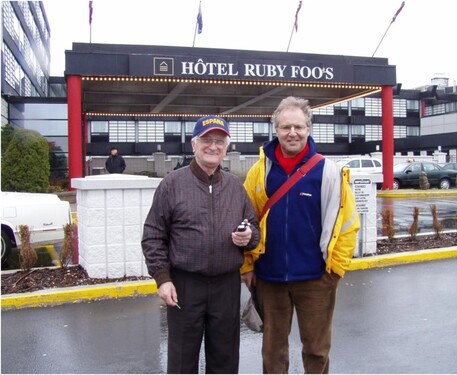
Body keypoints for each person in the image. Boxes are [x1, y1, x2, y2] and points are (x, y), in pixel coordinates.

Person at [241, 96, 360, 374]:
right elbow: (246, 221)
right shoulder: (260, 172)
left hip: (316, 279)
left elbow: (348, 224)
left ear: (308, 128)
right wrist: (247, 266)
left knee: (317, 350)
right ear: (276, 130)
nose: (292, 133)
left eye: (298, 126)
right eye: (285, 127)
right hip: (269, 279)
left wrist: (335, 270)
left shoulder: (327, 171)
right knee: (273, 351)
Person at [141, 115, 260, 374]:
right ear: (194, 144)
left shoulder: (235, 187)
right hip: (185, 284)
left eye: (220, 141)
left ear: (227, 147)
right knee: (183, 360)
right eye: (207, 140)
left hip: (226, 285)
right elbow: (153, 234)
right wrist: (162, 278)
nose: (213, 146)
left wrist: (247, 236)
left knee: (225, 359)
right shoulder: (172, 184)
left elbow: (255, 230)